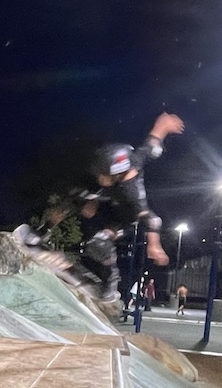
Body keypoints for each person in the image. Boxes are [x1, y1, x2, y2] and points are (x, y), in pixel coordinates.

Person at [20, 112, 185, 305]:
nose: (99, 177)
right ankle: (41, 233)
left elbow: (152, 220)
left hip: (123, 220)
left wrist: (154, 246)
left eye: (103, 175)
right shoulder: (133, 159)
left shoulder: (132, 193)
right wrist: (163, 125)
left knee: (97, 243)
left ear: (117, 175)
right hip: (110, 202)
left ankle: (110, 283)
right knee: (76, 197)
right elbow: (152, 143)